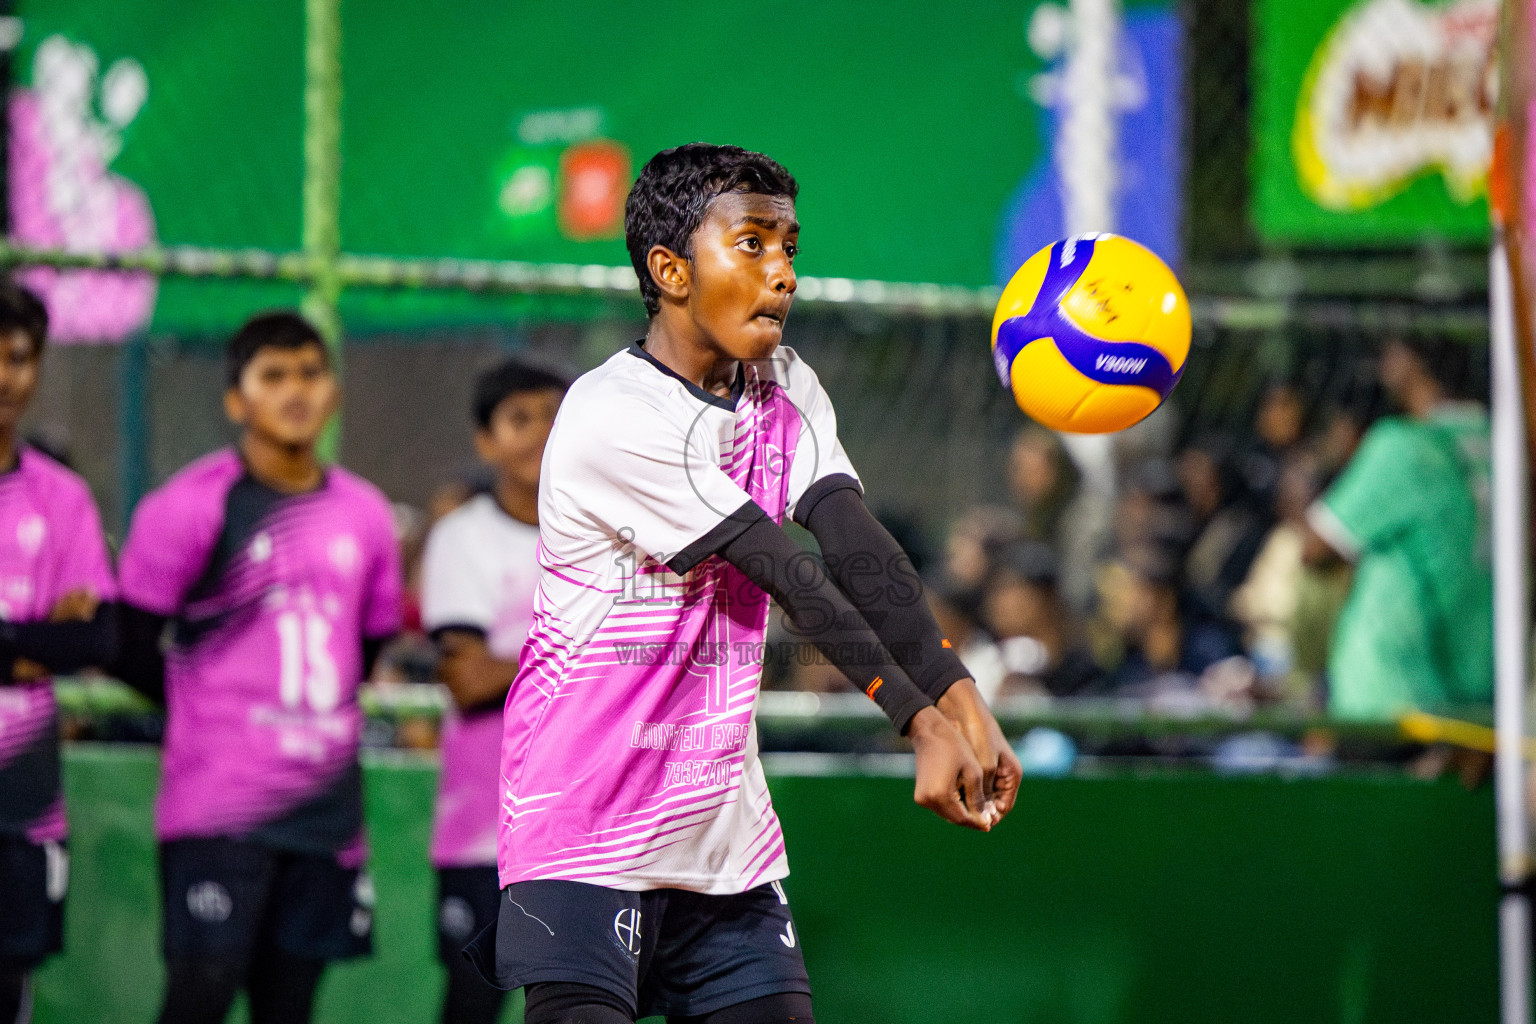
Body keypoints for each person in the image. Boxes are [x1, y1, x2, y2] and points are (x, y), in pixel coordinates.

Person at [464, 144, 1020, 1024]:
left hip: (725, 849)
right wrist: (917, 719)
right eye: (753, 245)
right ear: (670, 271)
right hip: (580, 840)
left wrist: (959, 694)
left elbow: (856, 547)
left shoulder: (786, 385)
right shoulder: (615, 412)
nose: (784, 274)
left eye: (790, 247)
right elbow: (786, 568)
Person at [114, 312, 404, 1024]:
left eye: (310, 372)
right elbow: (128, 644)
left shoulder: (365, 514)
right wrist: (208, 707)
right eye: (273, 376)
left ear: (333, 390)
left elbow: (363, 651)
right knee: (199, 995)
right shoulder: (188, 507)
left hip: (323, 814)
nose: (295, 391)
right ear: (236, 400)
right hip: (217, 808)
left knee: (291, 1008)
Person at [421, 358, 567, 1024]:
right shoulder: (463, 538)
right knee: (473, 1005)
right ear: (486, 442)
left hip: (594, 832)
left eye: (554, 415)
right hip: (487, 834)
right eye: (519, 419)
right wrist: (585, 645)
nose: (540, 432)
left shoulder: (616, 541)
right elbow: (470, 679)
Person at [0, 282, 117, 1024]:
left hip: (22, 808)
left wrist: (46, 642)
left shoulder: (62, 498)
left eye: (19, 357)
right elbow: (58, 639)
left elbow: (94, 640)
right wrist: (31, 638)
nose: (6, 377)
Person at [1304, 335, 1492, 720]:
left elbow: (1315, 548)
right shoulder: (1505, 441)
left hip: (1397, 697)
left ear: (1412, 360)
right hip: (1490, 687)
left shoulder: (1405, 446)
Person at [981, 542, 1103, 699]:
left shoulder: (1086, 673)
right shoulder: (993, 662)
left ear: (1045, 595)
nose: (997, 601)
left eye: (1008, 588)